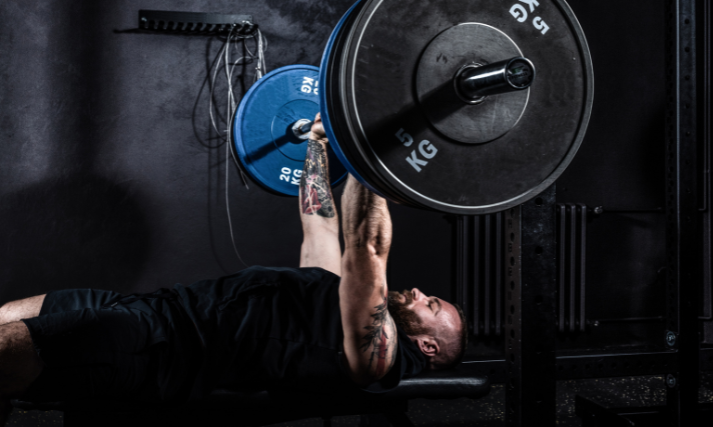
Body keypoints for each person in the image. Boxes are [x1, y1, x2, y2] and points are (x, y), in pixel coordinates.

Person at [0, 114, 467, 425]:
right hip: (150, 309)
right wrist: (319, 146)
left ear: (427, 344)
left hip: (158, 349)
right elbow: (319, 226)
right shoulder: (334, 297)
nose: (422, 292)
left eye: (432, 305)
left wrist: (370, 153)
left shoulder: (376, 356)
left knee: (6, 353)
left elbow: (367, 248)